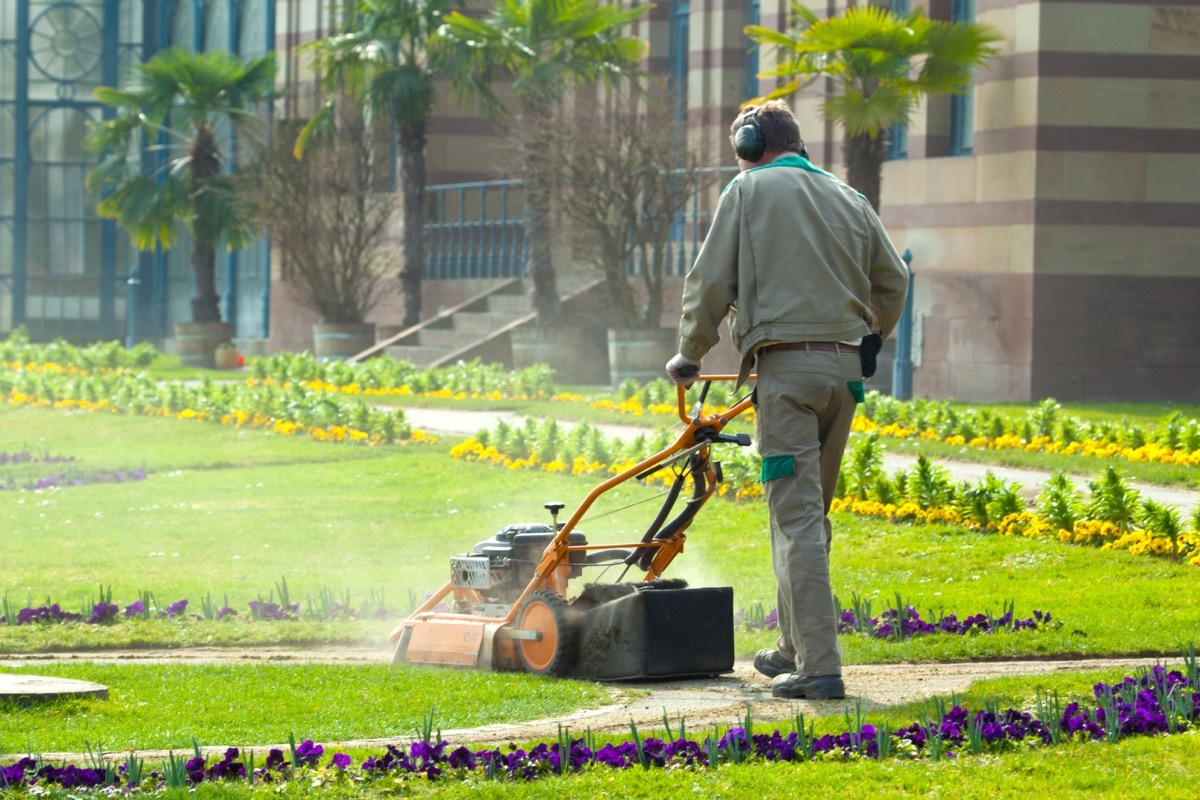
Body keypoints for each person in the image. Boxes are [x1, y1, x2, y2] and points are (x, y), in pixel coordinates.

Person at [665, 100, 909, 699]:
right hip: (844, 377)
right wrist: (873, 337)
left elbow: (710, 284)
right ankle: (792, 647)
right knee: (808, 516)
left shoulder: (746, 192)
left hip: (788, 377)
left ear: (750, 144)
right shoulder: (851, 198)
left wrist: (691, 355)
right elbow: (894, 281)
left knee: (794, 517)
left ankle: (821, 667)